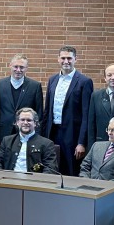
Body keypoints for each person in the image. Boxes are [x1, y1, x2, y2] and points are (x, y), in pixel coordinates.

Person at [41, 45, 94, 176]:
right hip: (53, 132)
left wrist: (81, 142)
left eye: (69, 58)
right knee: (52, 168)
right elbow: (47, 110)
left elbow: (87, 114)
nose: (66, 61)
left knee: (70, 170)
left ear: (75, 59)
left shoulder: (84, 81)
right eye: (63, 58)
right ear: (58, 59)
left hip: (72, 134)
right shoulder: (52, 80)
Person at [0, 54, 43, 155]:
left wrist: (37, 138)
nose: (18, 70)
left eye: (22, 67)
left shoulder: (35, 86)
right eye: (16, 66)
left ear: (26, 68)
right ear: (10, 66)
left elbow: (39, 115)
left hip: (27, 134)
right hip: (3, 134)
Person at [0, 108, 57, 174]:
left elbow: (50, 167)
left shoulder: (47, 144)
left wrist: (37, 179)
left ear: (35, 123)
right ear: (17, 122)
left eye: (29, 120)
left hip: (34, 181)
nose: (25, 123)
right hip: (8, 179)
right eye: (22, 120)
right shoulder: (7, 141)